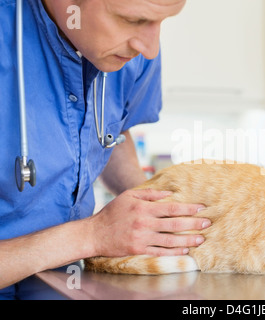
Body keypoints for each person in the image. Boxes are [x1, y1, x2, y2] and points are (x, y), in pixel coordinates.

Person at [0, 0, 211, 299]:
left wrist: (152, 212)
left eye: (162, 21)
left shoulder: (132, 54)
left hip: (65, 281)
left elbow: (109, 129)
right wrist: (93, 235)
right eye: (131, 20)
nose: (150, 48)